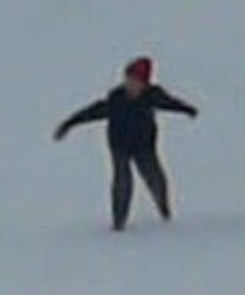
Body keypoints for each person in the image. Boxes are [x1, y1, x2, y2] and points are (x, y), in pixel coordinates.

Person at [53, 57, 198, 231]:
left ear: (144, 83)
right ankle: (119, 223)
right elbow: (93, 112)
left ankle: (164, 210)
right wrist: (69, 124)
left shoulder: (153, 96)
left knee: (155, 178)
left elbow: (169, 103)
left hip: (144, 147)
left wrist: (187, 109)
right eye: (128, 79)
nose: (130, 84)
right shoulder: (116, 98)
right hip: (119, 146)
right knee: (122, 183)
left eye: (135, 81)